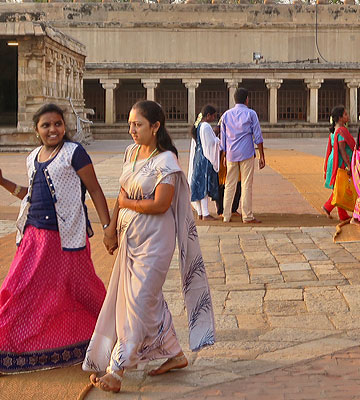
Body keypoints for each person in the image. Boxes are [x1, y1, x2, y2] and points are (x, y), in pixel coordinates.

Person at [84, 100, 215, 393]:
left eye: (138, 124)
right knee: (145, 299)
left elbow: (160, 204)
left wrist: (127, 204)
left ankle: (117, 368)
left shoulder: (166, 160)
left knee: (139, 300)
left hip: (155, 241)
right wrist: (110, 230)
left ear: (155, 127)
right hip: (130, 237)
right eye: (130, 124)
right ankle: (174, 353)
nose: (132, 129)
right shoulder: (131, 152)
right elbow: (121, 190)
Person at [0, 103, 111, 375]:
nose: (52, 129)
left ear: (64, 127)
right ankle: (9, 352)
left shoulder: (74, 153)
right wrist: (3, 181)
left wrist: (107, 227)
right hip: (33, 238)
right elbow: (29, 195)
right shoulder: (33, 157)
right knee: (15, 289)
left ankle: (110, 336)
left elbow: (95, 191)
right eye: (46, 125)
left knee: (82, 290)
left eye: (57, 124)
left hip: (67, 239)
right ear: (36, 130)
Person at [220, 88, 266, 224]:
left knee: (229, 184)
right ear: (246, 99)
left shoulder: (226, 115)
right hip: (246, 153)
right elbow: (258, 136)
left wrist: (223, 154)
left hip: (231, 153)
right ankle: (247, 216)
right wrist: (262, 155)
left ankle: (226, 215)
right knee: (246, 184)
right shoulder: (251, 114)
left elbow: (222, 137)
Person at [323, 105, 355, 222]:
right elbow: (342, 149)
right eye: (345, 114)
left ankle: (341, 214)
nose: (348, 116)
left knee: (339, 188)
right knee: (340, 188)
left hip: (334, 159)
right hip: (340, 161)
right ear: (340, 118)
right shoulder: (341, 131)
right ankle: (327, 206)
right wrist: (348, 164)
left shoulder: (334, 130)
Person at [188, 105, 220, 221]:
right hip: (205, 159)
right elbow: (211, 143)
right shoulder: (205, 126)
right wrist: (217, 135)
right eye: (213, 116)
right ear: (208, 115)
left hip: (198, 157)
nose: (214, 118)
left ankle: (201, 213)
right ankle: (205, 214)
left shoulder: (198, 126)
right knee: (204, 186)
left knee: (199, 184)